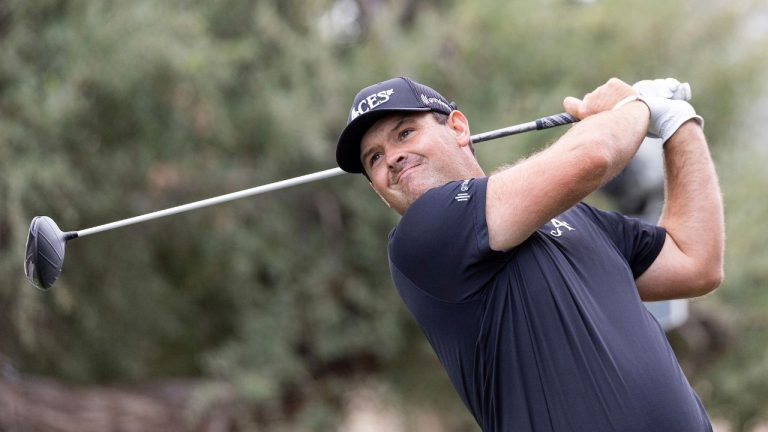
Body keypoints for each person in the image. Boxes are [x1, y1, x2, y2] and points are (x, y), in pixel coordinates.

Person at [335, 76, 724, 431]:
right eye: (374, 158)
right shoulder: (423, 236)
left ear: (457, 128)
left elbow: (696, 262)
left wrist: (680, 124)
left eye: (404, 133)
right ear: (377, 189)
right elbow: (593, 156)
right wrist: (636, 104)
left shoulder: (577, 218)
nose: (392, 158)